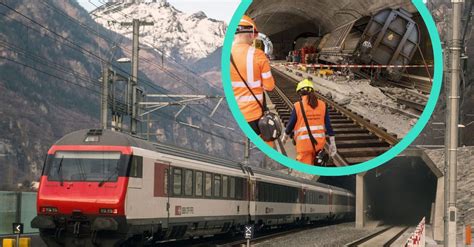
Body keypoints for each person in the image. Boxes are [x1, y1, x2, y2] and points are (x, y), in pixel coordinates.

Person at [230, 15, 275, 142]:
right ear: (250, 33)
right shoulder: (258, 55)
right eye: (255, 35)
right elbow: (270, 86)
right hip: (254, 115)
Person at [282, 79, 337, 165]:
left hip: (303, 147)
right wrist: (332, 143)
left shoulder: (298, 106)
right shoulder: (322, 104)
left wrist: (284, 139)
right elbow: (328, 125)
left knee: (305, 173)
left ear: (300, 93)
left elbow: (290, 126)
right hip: (319, 146)